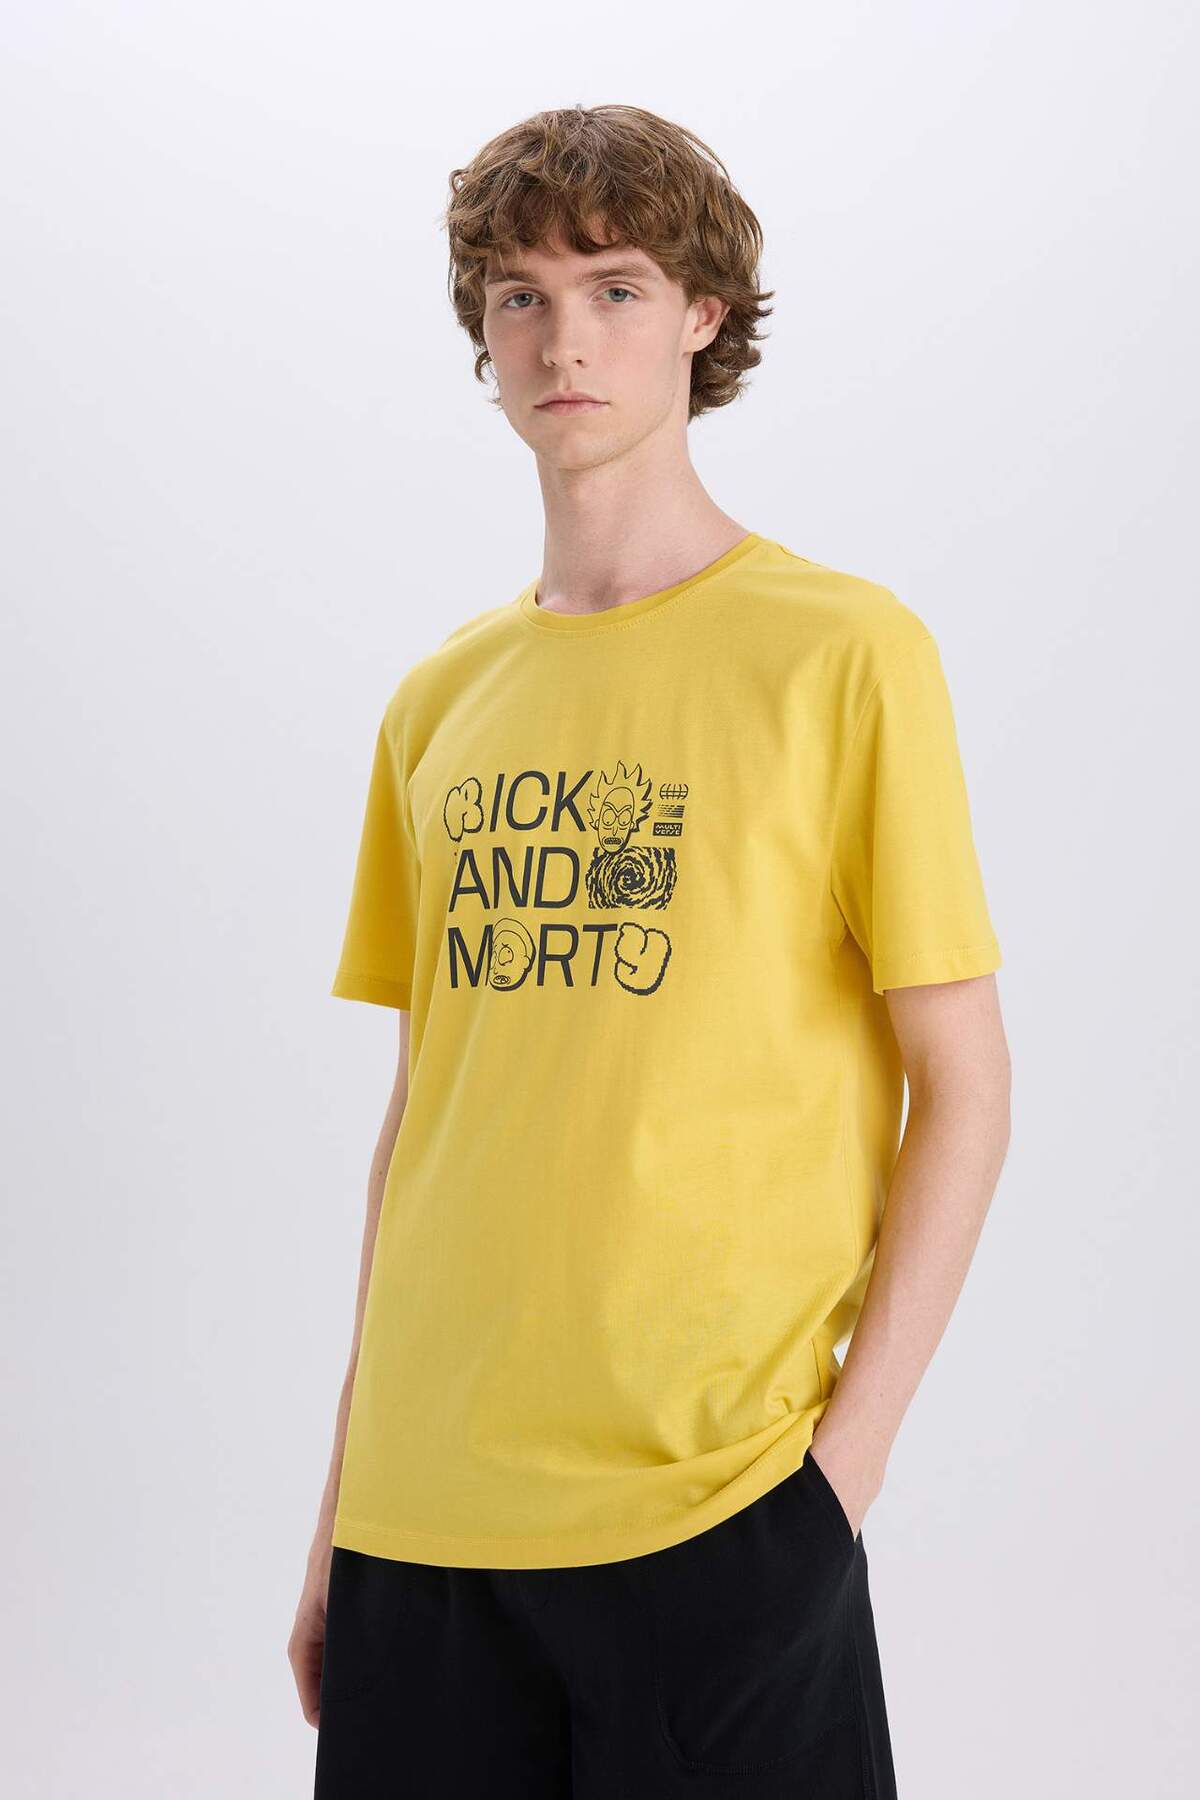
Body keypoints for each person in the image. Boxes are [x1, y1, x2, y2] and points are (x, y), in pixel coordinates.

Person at [289, 103, 1012, 1798]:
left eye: (614, 288)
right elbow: (424, 1123)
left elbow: (967, 1090)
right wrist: (337, 1511)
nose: (565, 342)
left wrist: (835, 1489)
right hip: (422, 1526)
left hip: (719, 1520)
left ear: (702, 313)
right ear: (483, 333)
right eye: (521, 297)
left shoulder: (843, 655)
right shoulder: (438, 703)